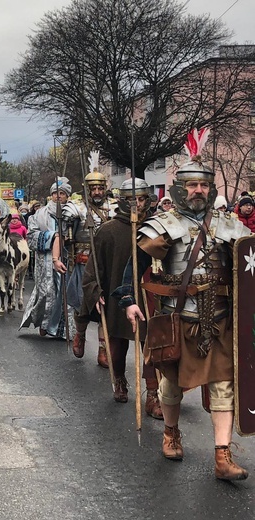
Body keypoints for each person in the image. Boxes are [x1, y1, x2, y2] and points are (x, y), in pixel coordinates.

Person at [116, 130, 250, 480]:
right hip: (178, 319)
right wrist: (129, 299)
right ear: (180, 188)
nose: (198, 191)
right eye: (191, 185)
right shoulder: (165, 224)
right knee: (172, 385)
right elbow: (136, 265)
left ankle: (222, 455)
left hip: (220, 320)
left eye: (203, 186)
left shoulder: (230, 225)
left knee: (225, 384)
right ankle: (172, 433)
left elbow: (246, 269)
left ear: (211, 189)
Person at [80, 178, 162, 417]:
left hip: (149, 294)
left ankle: (153, 393)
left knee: (152, 347)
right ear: (122, 201)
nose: (137, 203)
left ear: (147, 200)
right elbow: (94, 269)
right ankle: (119, 379)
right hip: (118, 293)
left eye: (141, 198)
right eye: (131, 199)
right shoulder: (108, 231)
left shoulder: (158, 228)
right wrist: (95, 291)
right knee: (117, 347)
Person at [58, 154, 112, 367]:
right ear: (87, 189)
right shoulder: (76, 208)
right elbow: (62, 234)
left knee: (105, 310)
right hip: (82, 264)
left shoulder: (115, 208)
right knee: (81, 307)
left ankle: (103, 349)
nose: (97, 192)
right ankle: (80, 334)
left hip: (106, 266)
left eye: (100, 188)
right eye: (93, 188)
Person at [20, 178, 76, 339]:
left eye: (62, 194)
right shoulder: (40, 214)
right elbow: (31, 237)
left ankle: (62, 328)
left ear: (67, 195)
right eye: (55, 193)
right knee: (46, 292)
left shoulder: (73, 212)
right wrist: (52, 237)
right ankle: (44, 324)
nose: (58, 197)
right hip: (45, 259)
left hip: (67, 258)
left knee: (65, 293)